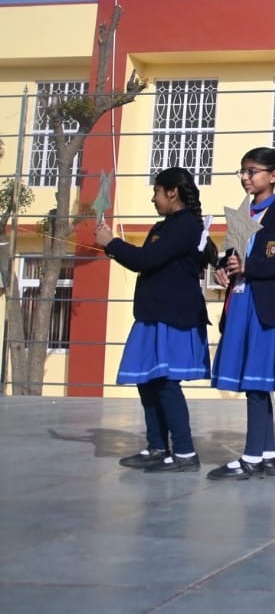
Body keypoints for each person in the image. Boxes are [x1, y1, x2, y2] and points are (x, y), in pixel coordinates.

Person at [98, 167, 216, 473]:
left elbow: (145, 259)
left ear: (172, 192)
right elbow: (145, 260)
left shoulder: (186, 226)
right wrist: (112, 246)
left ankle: (185, 452)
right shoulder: (164, 226)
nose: (153, 198)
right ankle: (157, 446)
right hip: (153, 314)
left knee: (164, 382)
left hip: (173, 316)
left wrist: (112, 243)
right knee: (147, 381)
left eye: (157, 192)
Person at [207, 148, 275, 480]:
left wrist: (250, 267)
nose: (245, 177)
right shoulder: (242, 213)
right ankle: (266, 454)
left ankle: (252, 456)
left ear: (274, 175)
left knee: (257, 380)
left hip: (267, 306)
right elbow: (232, 255)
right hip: (240, 302)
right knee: (253, 382)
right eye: (243, 171)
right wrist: (224, 268)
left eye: (252, 171)